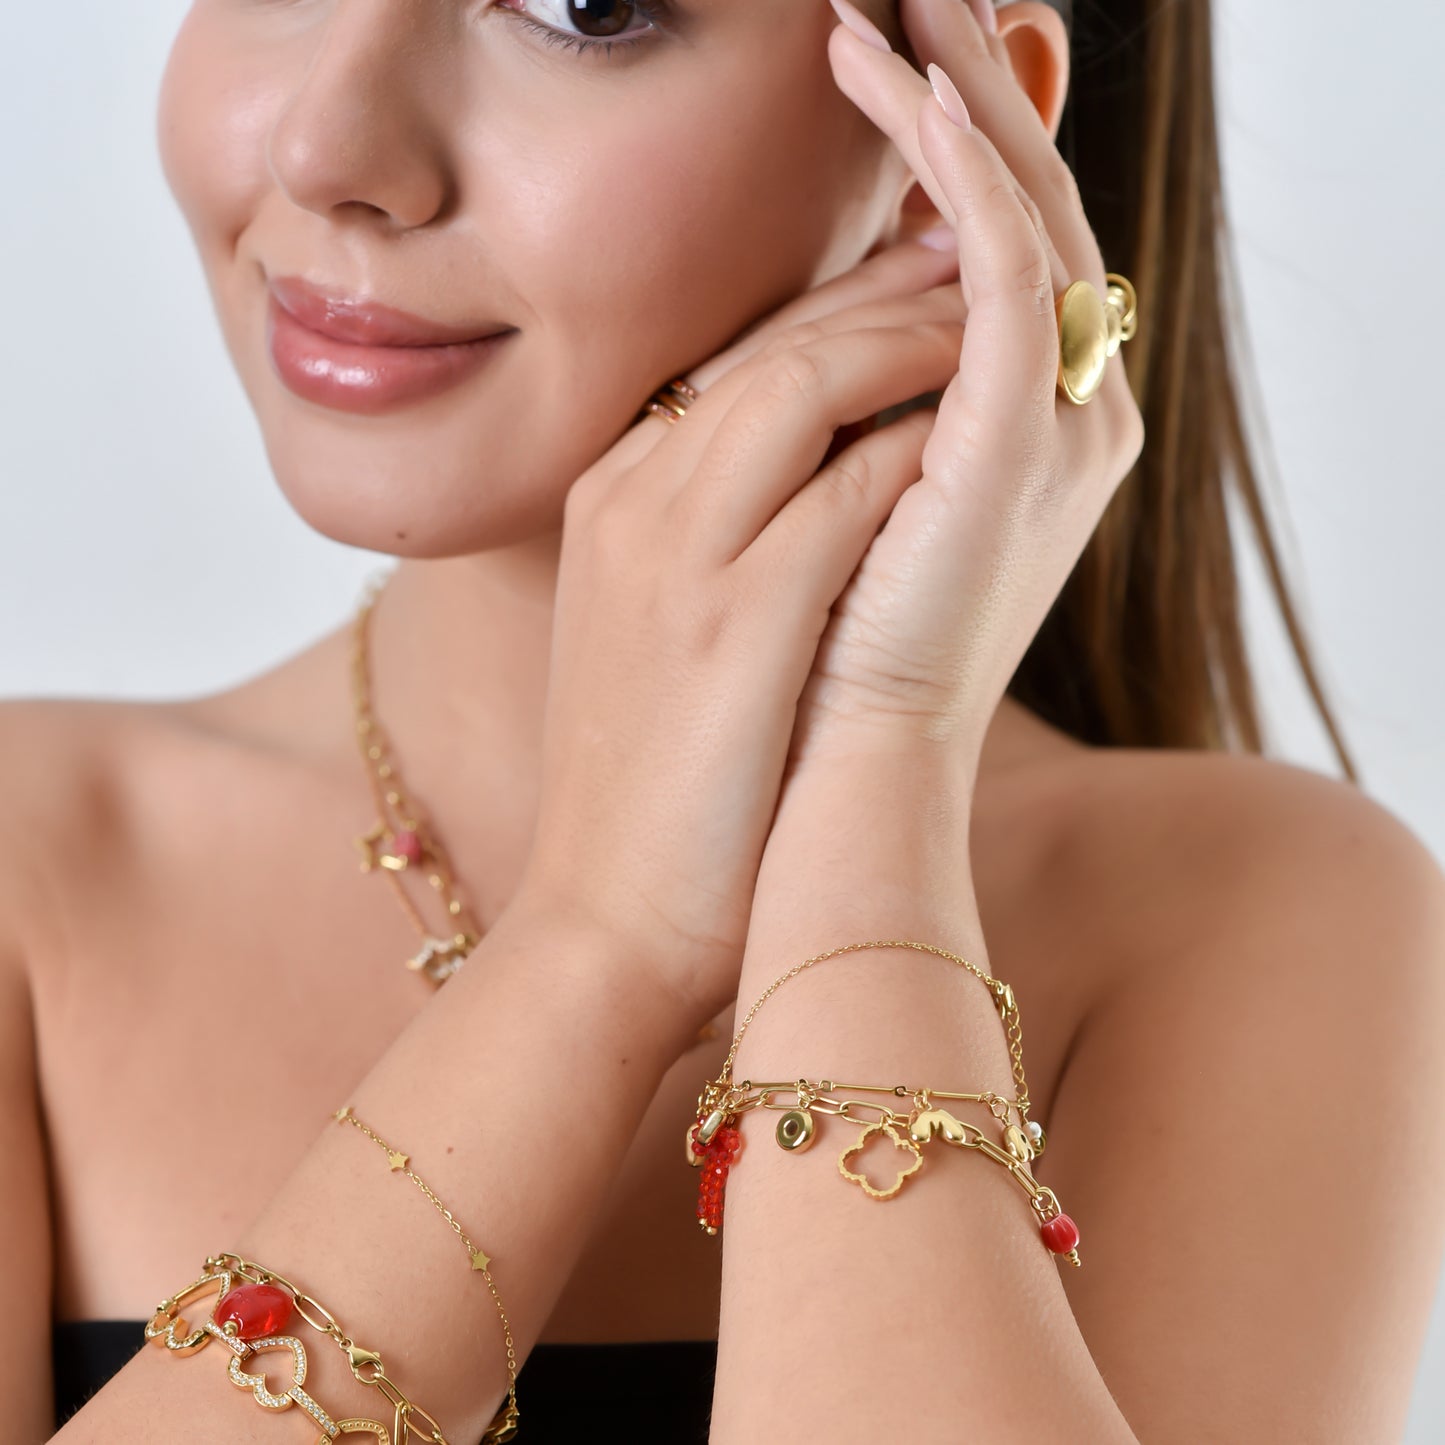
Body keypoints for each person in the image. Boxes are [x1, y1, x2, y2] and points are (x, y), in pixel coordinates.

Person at [10, 0, 1443, 1440]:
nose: (328, 147)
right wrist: (596, 944)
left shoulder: (1246, 915)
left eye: (583, 8)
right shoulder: (32, 871)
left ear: (942, 123)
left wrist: (877, 757)